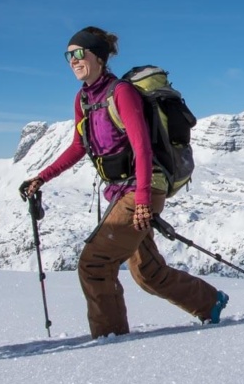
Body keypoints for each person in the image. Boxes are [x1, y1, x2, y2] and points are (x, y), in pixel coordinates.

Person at [20, 26, 228, 338]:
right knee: (147, 272)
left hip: (142, 188)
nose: (73, 60)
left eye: (79, 53)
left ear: (98, 57)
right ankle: (209, 302)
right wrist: (41, 177)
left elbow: (142, 146)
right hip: (122, 192)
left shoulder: (121, 94)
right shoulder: (84, 100)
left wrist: (143, 199)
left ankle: (111, 339)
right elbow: (79, 146)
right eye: (68, 55)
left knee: (95, 265)